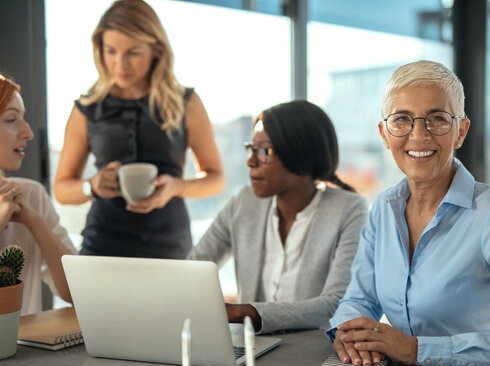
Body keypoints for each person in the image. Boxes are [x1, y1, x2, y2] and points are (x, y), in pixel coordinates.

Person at [327, 60, 490, 366]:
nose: (419, 135)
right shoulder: (383, 209)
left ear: (460, 132)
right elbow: (358, 301)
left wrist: (417, 350)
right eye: (402, 120)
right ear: (385, 134)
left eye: (437, 119)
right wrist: (346, 333)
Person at [54, 0, 224, 259]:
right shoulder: (86, 109)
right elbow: (61, 189)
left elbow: (216, 178)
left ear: (156, 50)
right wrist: (92, 186)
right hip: (102, 247)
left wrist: (177, 187)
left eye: (132, 53)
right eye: (111, 51)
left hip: (170, 247)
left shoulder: (186, 103)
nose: (120, 64)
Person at [187, 100, 368, 333]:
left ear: (300, 153)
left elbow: (336, 303)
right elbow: (193, 270)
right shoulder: (244, 202)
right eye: (250, 149)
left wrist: (246, 312)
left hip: (313, 354)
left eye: (263, 151)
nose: (250, 161)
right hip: (254, 350)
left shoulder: (350, 209)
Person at [0, 74, 76, 315]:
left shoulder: (31, 195)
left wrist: (35, 222)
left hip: (26, 352)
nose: (28, 132)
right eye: (12, 119)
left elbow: (75, 292)